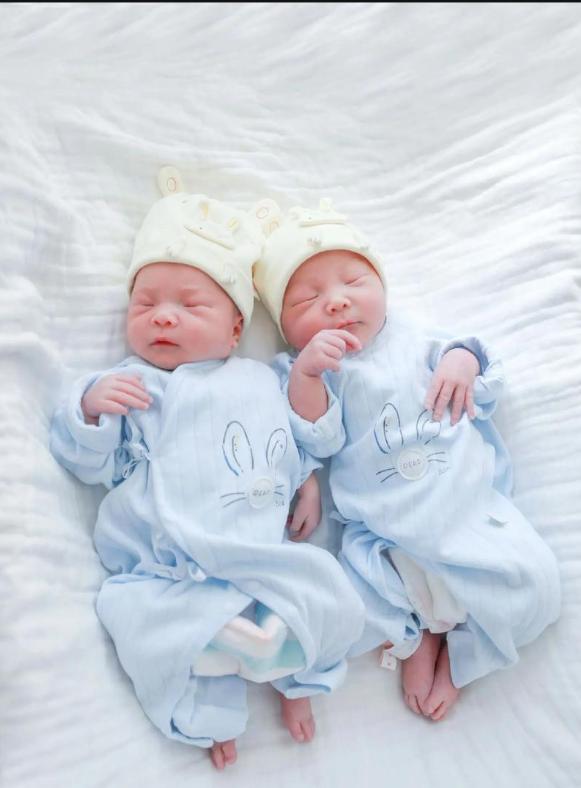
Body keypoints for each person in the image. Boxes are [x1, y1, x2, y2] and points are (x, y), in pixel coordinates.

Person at [50, 172, 365, 769]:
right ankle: (212, 695)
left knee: (332, 599)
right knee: (140, 621)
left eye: (190, 305)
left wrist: (306, 478)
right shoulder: (134, 385)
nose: (163, 318)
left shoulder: (264, 377)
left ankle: (289, 675)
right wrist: (90, 408)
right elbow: (91, 465)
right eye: (145, 305)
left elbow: (308, 436)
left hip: (260, 557)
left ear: (236, 328)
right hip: (171, 567)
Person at [253, 198, 561, 721]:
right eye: (307, 299)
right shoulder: (306, 369)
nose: (336, 302)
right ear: (285, 327)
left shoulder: (419, 339)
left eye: (353, 282)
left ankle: (460, 660)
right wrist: (307, 376)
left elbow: (486, 374)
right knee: (342, 607)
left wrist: (463, 362)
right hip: (385, 539)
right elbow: (315, 438)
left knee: (539, 589)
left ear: (382, 286)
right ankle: (386, 643)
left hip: (469, 519)